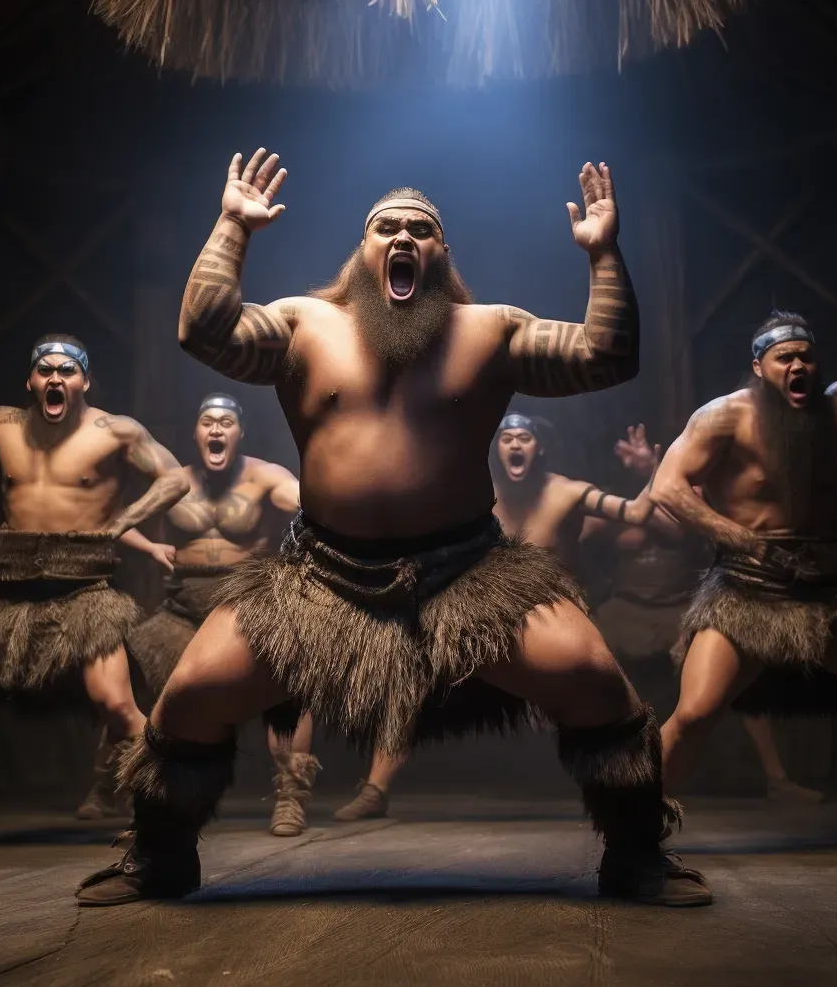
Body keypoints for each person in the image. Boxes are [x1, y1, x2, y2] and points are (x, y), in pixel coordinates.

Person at [77, 147, 710, 907]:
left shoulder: (492, 331)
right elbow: (204, 331)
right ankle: (161, 856)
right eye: (387, 228)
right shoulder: (305, 323)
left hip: (469, 576)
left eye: (421, 230)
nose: (403, 238)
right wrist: (232, 228)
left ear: (442, 253)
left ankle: (636, 857)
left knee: (598, 683)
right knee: (187, 699)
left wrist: (604, 254)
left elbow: (607, 355)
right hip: (321, 579)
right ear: (366, 250)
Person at [0, 301, 189, 854]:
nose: (55, 378)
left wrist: (123, 520)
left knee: (118, 706)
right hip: (3, 591)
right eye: (45, 370)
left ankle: (155, 820)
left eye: (66, 370)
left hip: (84, 594)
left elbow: (175, 478)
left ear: (84, 380)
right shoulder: (0, 425)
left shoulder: (115, 432)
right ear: (31, 380)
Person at [334, 411, 679, 821]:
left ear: (540, 447)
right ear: (495, 448)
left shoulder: (568, 493)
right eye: (507, 438)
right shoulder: (475, 496)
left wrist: (652, 471)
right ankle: (375, 789)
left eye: (524, 438)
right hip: (482, 616)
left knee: (604, 686)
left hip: (554, 614)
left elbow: (641, 516)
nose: (515, 445)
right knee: (414, 676)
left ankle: (633, 800)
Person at [650, 312, 837, 788]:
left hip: (834, 590)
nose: (797, 366)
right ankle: (635, 830)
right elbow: (667, 489)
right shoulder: (725, 415)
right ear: (759, 367)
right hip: (747, 589)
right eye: (784, 358)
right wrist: (744, 540)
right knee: (694, 714)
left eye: (805, 357)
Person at [77, 393, 321, 836]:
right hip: (184, 602)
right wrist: (151, 546)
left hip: (246, 601)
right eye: (207, 421)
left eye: (226, 422)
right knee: (135, 684)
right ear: (196, 431)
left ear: (239, 432)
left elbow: (307, 502)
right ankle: (110, 784)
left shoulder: (265, 477)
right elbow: (109, 514)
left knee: (287, 689)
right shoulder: (174, 481)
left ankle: (290, 795)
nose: (216, 429)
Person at [595, 424, 823, 802]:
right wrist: (648, 482)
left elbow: (676, 530)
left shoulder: (692, 496)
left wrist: (652, 471)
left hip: (679, 609)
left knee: (735, 673)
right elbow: (623, 529)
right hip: (626, 608)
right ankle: (603, 778)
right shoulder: (620, 504)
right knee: (583, 662)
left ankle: (776, 778)